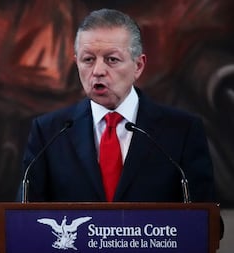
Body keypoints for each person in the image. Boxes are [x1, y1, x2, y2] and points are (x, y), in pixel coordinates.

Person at [17, 8, 218, 205]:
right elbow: (23, 223)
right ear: (76, 62)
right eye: (88, 59)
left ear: (138, 66)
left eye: (112, 59)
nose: (98, 71)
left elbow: (207, 224)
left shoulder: (182, 130)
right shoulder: (49, 133)